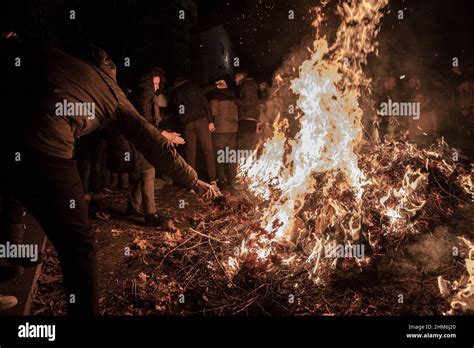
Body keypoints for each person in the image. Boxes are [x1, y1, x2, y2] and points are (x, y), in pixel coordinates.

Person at [0, 36, 216, 316]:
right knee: (78, 245)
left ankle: (13, 251)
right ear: (108, 72)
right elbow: (151, 140)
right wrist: (192, 180)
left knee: (12, 195)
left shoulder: (48, 52)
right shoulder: (110, 92)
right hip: (44, 145)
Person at [124, 68, 185, 226]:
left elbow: (152, 121)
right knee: (148, 171)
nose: (157, 87)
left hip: (144, 137)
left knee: (146, 171)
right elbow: (145, 121)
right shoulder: (145, 94)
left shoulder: (148, 94)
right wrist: (165, 135)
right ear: (147, 83)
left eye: (158, 84)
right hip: (138, 138)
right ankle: (150, 214)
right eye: (155, 84)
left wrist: (166, 133)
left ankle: (132, 206)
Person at [169, 76, 217, 186]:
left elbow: (176, 109)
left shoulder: (177, 92)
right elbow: (205, 103)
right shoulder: (195, 87)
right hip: (201, 120)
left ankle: (192, 181)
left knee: (190, 152)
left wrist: (182, 120)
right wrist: (210, 121)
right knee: (208, 150)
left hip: (187, 124)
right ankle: (213, 179)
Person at [210, 80, 238, 189]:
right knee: (231, 155)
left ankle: (222, 179)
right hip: (234, 128)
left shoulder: (215, 96)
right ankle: (233, 179)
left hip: (221, 129)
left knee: (219, 155)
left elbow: (213, 112)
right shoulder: (234, 96)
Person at [234, 71, 260, 151]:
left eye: (236, 77)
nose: (234, 79)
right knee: (247, 146)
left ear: (241, 76)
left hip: (246, 119)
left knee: (242, 146)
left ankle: (242, 162)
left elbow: (248, 102)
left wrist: (235, 100)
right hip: (250, 119)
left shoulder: (246, 85)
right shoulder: (249, 85)